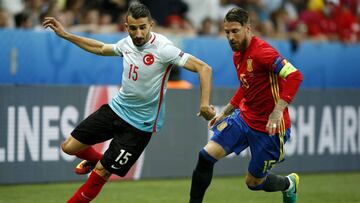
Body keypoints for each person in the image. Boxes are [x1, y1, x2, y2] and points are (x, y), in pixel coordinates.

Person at [43, 2, 216, 203]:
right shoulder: (127, 43)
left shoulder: (164, 49)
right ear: (127, 27)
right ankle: (102, 160)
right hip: (116, 109)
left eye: (143, 27)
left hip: (139, 126)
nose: (139, 33)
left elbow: (204, 69)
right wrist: (66, 35)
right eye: (133, 28)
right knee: (69, 147)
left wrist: (204, 104)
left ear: (151, 25)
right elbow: (99, 47)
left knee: (102, 173)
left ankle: (102, 166)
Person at [188, 7, 303, 203]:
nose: (230, 37)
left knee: (253, 183)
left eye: (235, 31)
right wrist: (225, 112)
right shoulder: (238, 54)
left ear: (248, 28)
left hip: (270, 129)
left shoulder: (263, 53)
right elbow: (246, 86)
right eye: (227, 32)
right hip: (244, 118)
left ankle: (288, 184)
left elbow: (294, 76)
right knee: (205, 156)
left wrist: (277, 111)